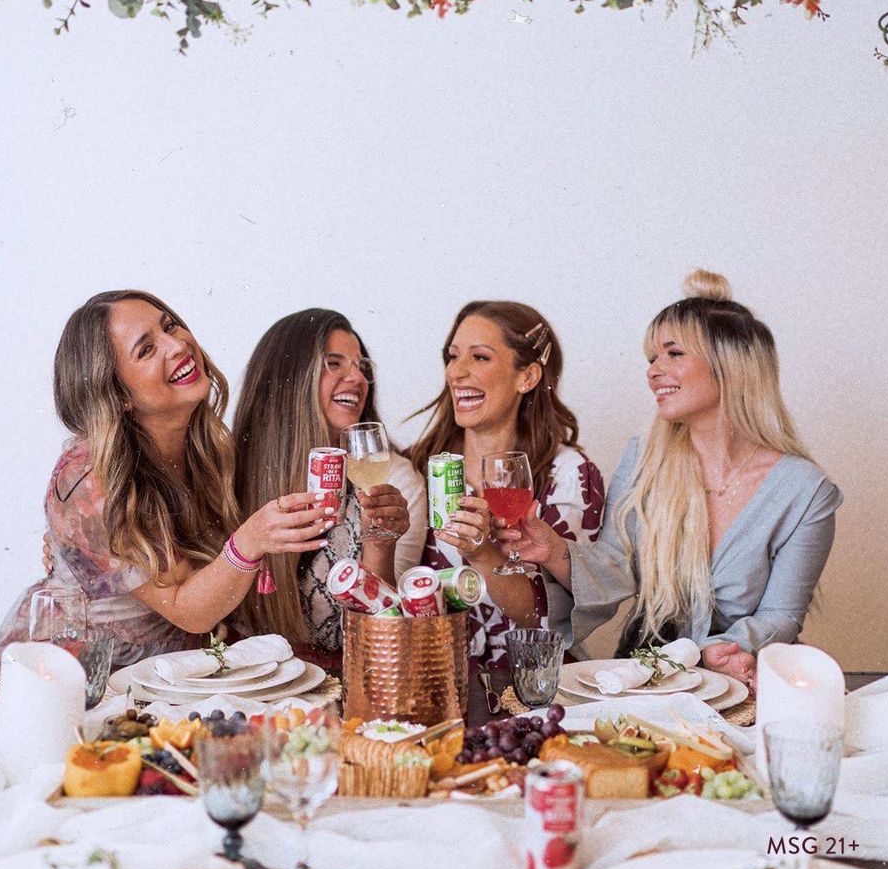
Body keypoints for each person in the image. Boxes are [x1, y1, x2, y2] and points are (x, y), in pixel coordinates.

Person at [496, 270, 842, 692]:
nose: (653, 371)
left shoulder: (806, 491)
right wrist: (555, 552)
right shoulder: (644, 458)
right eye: (652, 359)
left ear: (730, 365)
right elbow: (614, 566)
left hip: (740, 679)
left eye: (673, 353)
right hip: (645, 681)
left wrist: (718, 651)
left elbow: (782, 614)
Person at [0, 291, 333, 665]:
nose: (177, 345)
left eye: (169, 326)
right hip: (77, 676)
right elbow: (189, 609)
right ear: (117, 394)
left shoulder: (207, 448)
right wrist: (250, 541)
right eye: (146, 350)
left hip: (170, 671)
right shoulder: (90, 478)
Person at [408, 301, 604, 668]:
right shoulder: (417, 469)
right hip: (433, 680)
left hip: (530, 684)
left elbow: (548, 620)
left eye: (480, 357)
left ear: (527, 377)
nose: (456, 372)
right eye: (453, 356)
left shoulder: (570, 475)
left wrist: (484, 554)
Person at [232, 309, 427, 658]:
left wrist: (379, 544)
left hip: (347, 675)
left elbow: (384, 631)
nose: (358, 378)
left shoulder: (395, 479)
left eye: (361, 367)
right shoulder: (232, 471)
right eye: (333, 363)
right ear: (290, 378)